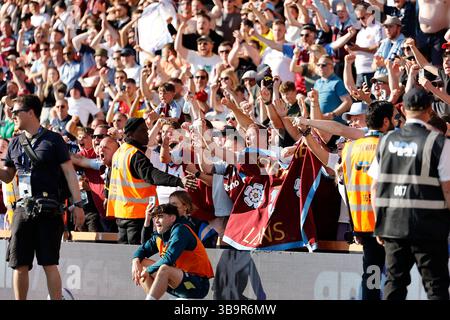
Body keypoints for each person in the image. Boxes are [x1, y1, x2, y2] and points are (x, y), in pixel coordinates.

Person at [0, 95, 85, 300]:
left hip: (49, 207)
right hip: (23, 208)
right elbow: (8, 176)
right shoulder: (14, 142)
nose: (11, 115)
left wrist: (78, 204)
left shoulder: (53, 140)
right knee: (19, 263)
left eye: (16, 111)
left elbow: (69, 173)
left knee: (49, 263)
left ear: (30, 112)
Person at [369, 87, 450, 300]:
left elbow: (375, 187)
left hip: (393, 225)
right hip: (429, 227)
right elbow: (447, 190)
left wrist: (379, 222)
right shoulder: (439, 143)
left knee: (394, 283)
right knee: (436, 287)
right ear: (430, 110)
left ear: (403, 109)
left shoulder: (385, 141)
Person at [106, 117, 197, 244]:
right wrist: (179, 181)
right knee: (138, 256)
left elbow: (110, 180)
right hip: (137, 216)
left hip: (121, 213)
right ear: (131, 134)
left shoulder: (119, 152)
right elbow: (151, 175)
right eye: (142, 130)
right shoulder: (134, 155)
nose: (146, 134)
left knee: (125, 255)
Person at [341, 101, 395, 300]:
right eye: (395, 117)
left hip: (363, 224)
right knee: (393, 277)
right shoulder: (390, 146)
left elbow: (347, 189)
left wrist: (354, 227)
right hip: (388, 224)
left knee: (371, 275)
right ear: (385, 121)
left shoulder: (349, 149)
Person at [132, 203, 214, 300]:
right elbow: (142, 249)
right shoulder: (159, 235)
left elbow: (168, 259)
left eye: (160, 216)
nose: (156, 220)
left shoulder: (180, 230)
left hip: (197, 285)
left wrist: (148, 271)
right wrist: (135, 261)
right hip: (178, 282)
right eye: (154, 217)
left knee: (164, 269)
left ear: (172, 218)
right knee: (141, 264)